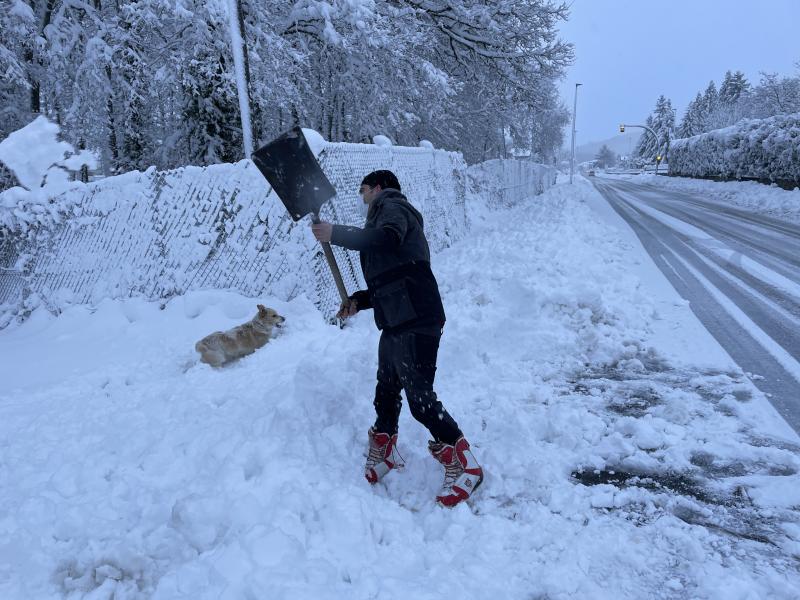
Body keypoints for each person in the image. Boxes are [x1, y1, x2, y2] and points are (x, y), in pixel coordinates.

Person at [310, 169, 483, 507]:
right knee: (386, 389)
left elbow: (386, 239)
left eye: (363, 191)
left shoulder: (392, 208)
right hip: (396, 321)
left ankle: (466, 465)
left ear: (378, 187)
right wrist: (359, 301)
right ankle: (386, 448)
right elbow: (388, 281)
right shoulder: (381, 223)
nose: (362, 199)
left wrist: (336, 233)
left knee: (420, 398)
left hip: (417, 318)